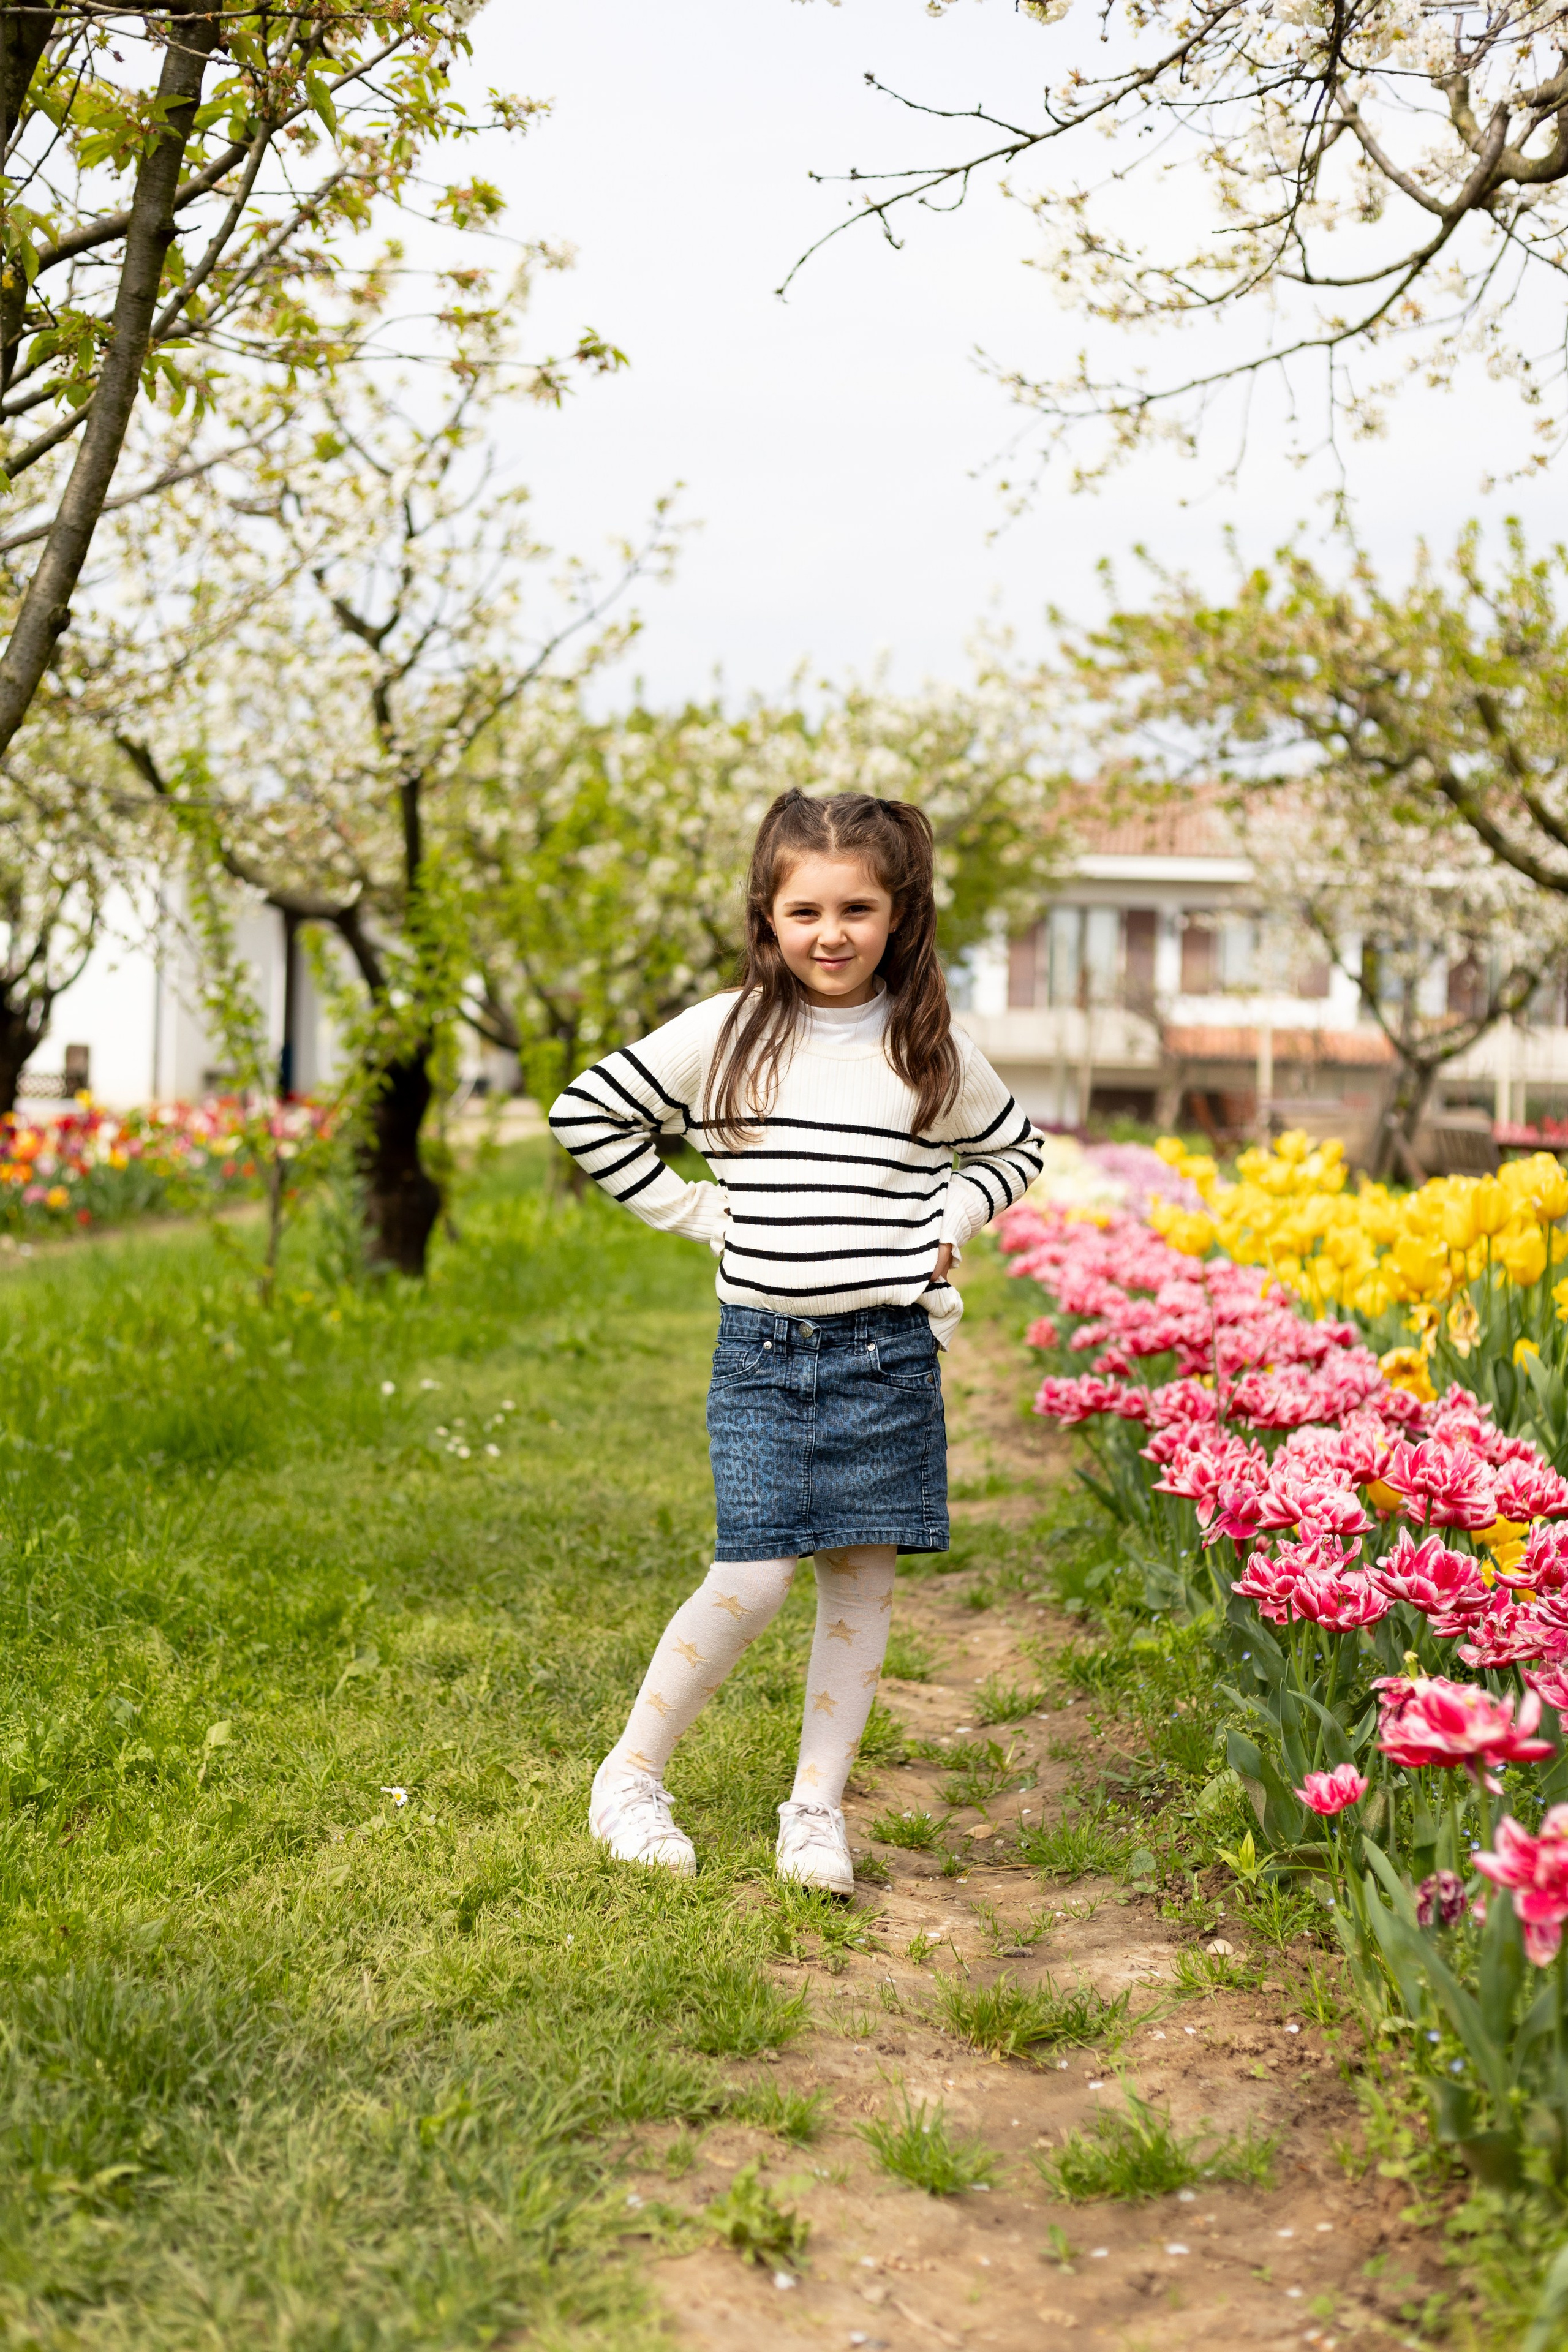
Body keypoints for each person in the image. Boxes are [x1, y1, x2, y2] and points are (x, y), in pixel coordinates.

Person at [548, 790, 1044, 1891]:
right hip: (767, 1358)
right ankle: (630, 1774)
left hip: (887, 1357)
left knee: (862, 1581)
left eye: (858, 909)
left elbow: (1013, 1152)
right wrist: (703, 1213)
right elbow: (589, 1114)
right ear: (767, 918)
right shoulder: (726, 1035)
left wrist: (947, 1219)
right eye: (805, 910)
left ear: (900, 916)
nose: (832, 934)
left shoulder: (926, 1047)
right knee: (755, 1574)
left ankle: (814, 1808)